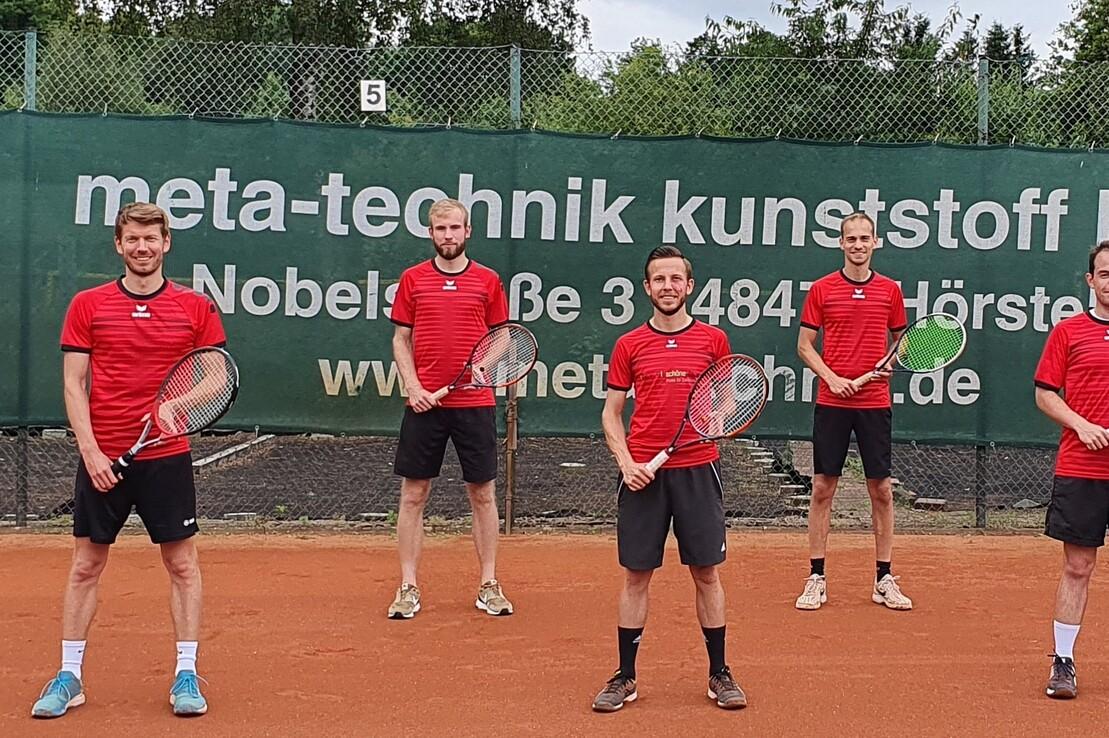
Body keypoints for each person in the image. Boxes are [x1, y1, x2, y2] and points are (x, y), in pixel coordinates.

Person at [32, 202, 227, 719]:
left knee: (182, 564)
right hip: (103, 458)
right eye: (132, 239)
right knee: (86, 566)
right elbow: (74, 384)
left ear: (167, 244)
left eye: (152, 238)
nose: (143, 247)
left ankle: (187, 673)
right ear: (119, 245)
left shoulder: (196, 308)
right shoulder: (88, 305)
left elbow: (214, 377)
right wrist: (91, 451)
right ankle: (69, 676)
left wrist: (174, 406)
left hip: (167, 457)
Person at [591, 246, 746, 713]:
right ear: (647, 288)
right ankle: (625, 676)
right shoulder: (629, 345)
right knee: (636, 576)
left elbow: (724, 403)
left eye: (675, 278)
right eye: (659, 279)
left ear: (689, 285)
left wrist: (708, 422)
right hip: (642, 477)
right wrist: (626, 463)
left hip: (699, 470)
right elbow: (611, 414)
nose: (667, 286)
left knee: (706, 573)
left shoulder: (714, 340)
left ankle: (720, 673)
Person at [387, 198, 514, 619]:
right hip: (425, 405)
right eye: (441, 229)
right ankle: (408, 587)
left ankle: (488, 584)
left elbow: (502, 337)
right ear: (430, 233)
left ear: (467, 232)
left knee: (482, 493)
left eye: (455, 228)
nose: (448, 236)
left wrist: (485, 364)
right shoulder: (413, 280)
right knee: (413, 494)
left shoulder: (488, 281)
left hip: (475, 402)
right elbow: (400, 339)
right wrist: (413, 384)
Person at [795, 212, 912, 611]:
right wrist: (831, 377)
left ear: (875, 242)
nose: (858, 245)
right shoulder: (822, 289)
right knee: (822, 488)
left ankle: (884, 579)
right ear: (840, 243)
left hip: (875, 402)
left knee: (880, 489)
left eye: (865, 238)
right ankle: (816, 577)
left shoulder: (890, 291)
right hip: (832, 403)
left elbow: (904, 341)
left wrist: (892, 361)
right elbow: (805, 345)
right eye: (851, 238)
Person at [1033, 240, 1109, 700]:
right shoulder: (1068, 332)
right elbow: (1045, 392)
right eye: (1105, 273)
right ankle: (1063, 663)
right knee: (1078, 566)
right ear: (1091, 280)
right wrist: (1081, 425)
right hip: (1083, 468)